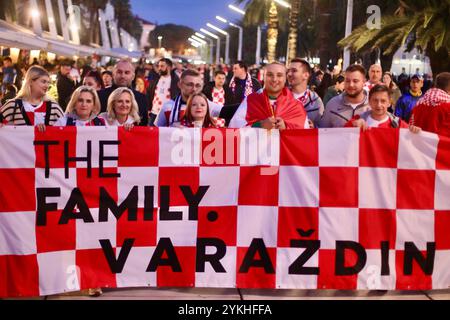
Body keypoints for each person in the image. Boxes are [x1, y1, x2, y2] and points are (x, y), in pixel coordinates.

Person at [229, 62, 308, 130]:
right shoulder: (250, 101)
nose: (274, 79)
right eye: (270, 75)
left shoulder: (296, 106)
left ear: (285, 79)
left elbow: (304, 137)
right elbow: (234, 129)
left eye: (279, 75)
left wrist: (286, 127)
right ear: (264, 77)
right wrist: (260, 125)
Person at [154, 69, 222, 127]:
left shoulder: (206, 104)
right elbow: (155, 131)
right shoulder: (167, 107)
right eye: (190, 85)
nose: (194, 89)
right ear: (179, 85)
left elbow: (227, 111)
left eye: (197, 85)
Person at [346, 84, 421, 133]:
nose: (379, 105)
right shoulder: (358, 119)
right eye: (375, 100)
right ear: (369, 101)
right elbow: (341, 134)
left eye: (383, 101)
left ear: (389, 103)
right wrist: (353, 125)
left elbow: (415, 141)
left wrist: (415, 131)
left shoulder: (398, 124)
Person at [97, 59, 149, 126]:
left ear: (133, 76)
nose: (123, 76)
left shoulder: (142, 98)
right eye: (119, 72)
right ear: (113, 74)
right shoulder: (99, 96)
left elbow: (143, 126)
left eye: (127, 73)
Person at [287, 58, 324, 128]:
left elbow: (322, 128)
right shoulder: (281, 97)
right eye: (288, 71)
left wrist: (314, 127)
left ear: (306, 75)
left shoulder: (316, 102)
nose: (289, 74)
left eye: (294, 71)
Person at [411, 72, 450, 136]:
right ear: (448, 91)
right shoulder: (448, 107)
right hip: (439, 145)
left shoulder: (419, 103)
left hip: (418, 143)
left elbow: (411, 125)